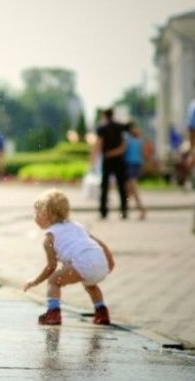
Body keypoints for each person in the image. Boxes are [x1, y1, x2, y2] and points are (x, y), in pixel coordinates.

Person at [23, 189, 115, 326]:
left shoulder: (49, 237)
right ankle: (101, 312)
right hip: (100, 263)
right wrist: (109, 261)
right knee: (91, 285)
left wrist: (35, 281)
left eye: (35, 213)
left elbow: (51, 267)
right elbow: (98, 242)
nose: (34, 216)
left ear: (44, 214)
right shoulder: (77, 226)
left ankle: (53, 313)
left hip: (83, 263)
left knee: (54, 281)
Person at [91, 108, 128, 219]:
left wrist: (93, 159)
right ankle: (124, 211)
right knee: (121, 186)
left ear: (104, 116)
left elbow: (98, 144)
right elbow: (123, 145)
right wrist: (116, 152)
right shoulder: (120, 127)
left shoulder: (102, 128)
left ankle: (103, 211)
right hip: (119, 159)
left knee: (105, 186)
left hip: (107, 159)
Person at [124, 122, 146, 220]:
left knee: (132, 189)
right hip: (134, 164)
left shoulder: (128, 139)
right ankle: (125, 211)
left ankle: (141, 210)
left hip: (131, 165)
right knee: (128, 190)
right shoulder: (137, 140)